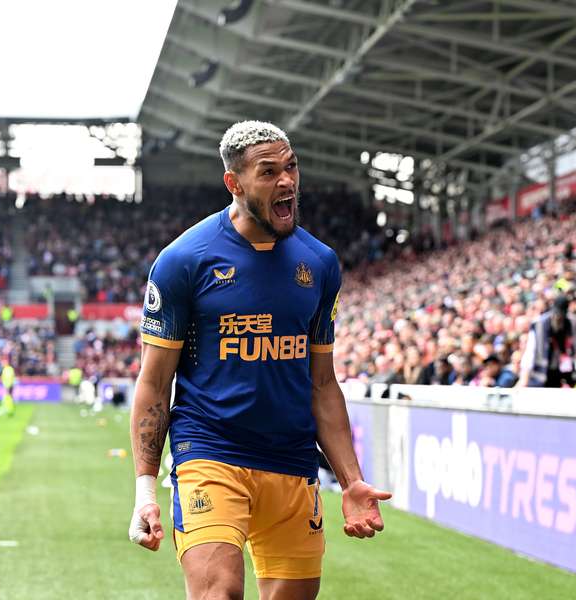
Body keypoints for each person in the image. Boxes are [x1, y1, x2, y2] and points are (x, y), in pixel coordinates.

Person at [128, 121, 390, 600]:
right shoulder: (183, 260)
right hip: (210, 451)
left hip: (292, 462)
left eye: (291, 167)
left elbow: (322, 385)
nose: (287, 181)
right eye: (268, 172)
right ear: (234, 183)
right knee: (219, 593)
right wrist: (145, 488)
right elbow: (153, 381)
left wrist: (351, 480)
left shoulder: (321, 263)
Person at [519, 295, 576, 387]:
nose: (559, 317)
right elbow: (530, 351)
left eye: (562, 314)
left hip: (562, 370)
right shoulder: (539, 324)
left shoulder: (570, 323)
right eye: (557, 314)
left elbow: (575, 346)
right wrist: (524, 377)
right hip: (541, 373)